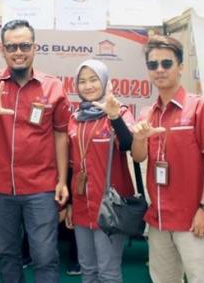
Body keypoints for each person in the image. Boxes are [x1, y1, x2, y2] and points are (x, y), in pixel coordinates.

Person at [0, 19, 70, 283]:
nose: (18, 52)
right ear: (2, 49)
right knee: (6, 256)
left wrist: (62, 181)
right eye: (12, 46)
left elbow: (61, 134)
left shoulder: (53, 86)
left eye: (24, 45)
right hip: (1, 187)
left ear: (35, 47)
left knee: (45, 257)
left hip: (42, 186)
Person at [130, 35, 204, 283]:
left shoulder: (200, 107)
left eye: (166, 63)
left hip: (194, 218)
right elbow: (138, 156)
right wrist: (140, 138)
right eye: (153, 65)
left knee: (200, 279)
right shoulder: (147, 113)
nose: (159, 70)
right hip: (159, 220)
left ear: (181, 67)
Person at [63, 60, 136, 283]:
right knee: (88, 270)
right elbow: (71, 163)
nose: (88, 86)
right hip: (82, 202)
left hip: (110, 206)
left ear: (104, 81)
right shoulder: (75, 118)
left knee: (108, 272)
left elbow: (128, 145)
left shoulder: (119, 111)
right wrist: (68, 205)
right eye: (82, 81)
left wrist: (114, 118)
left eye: (93, 79)